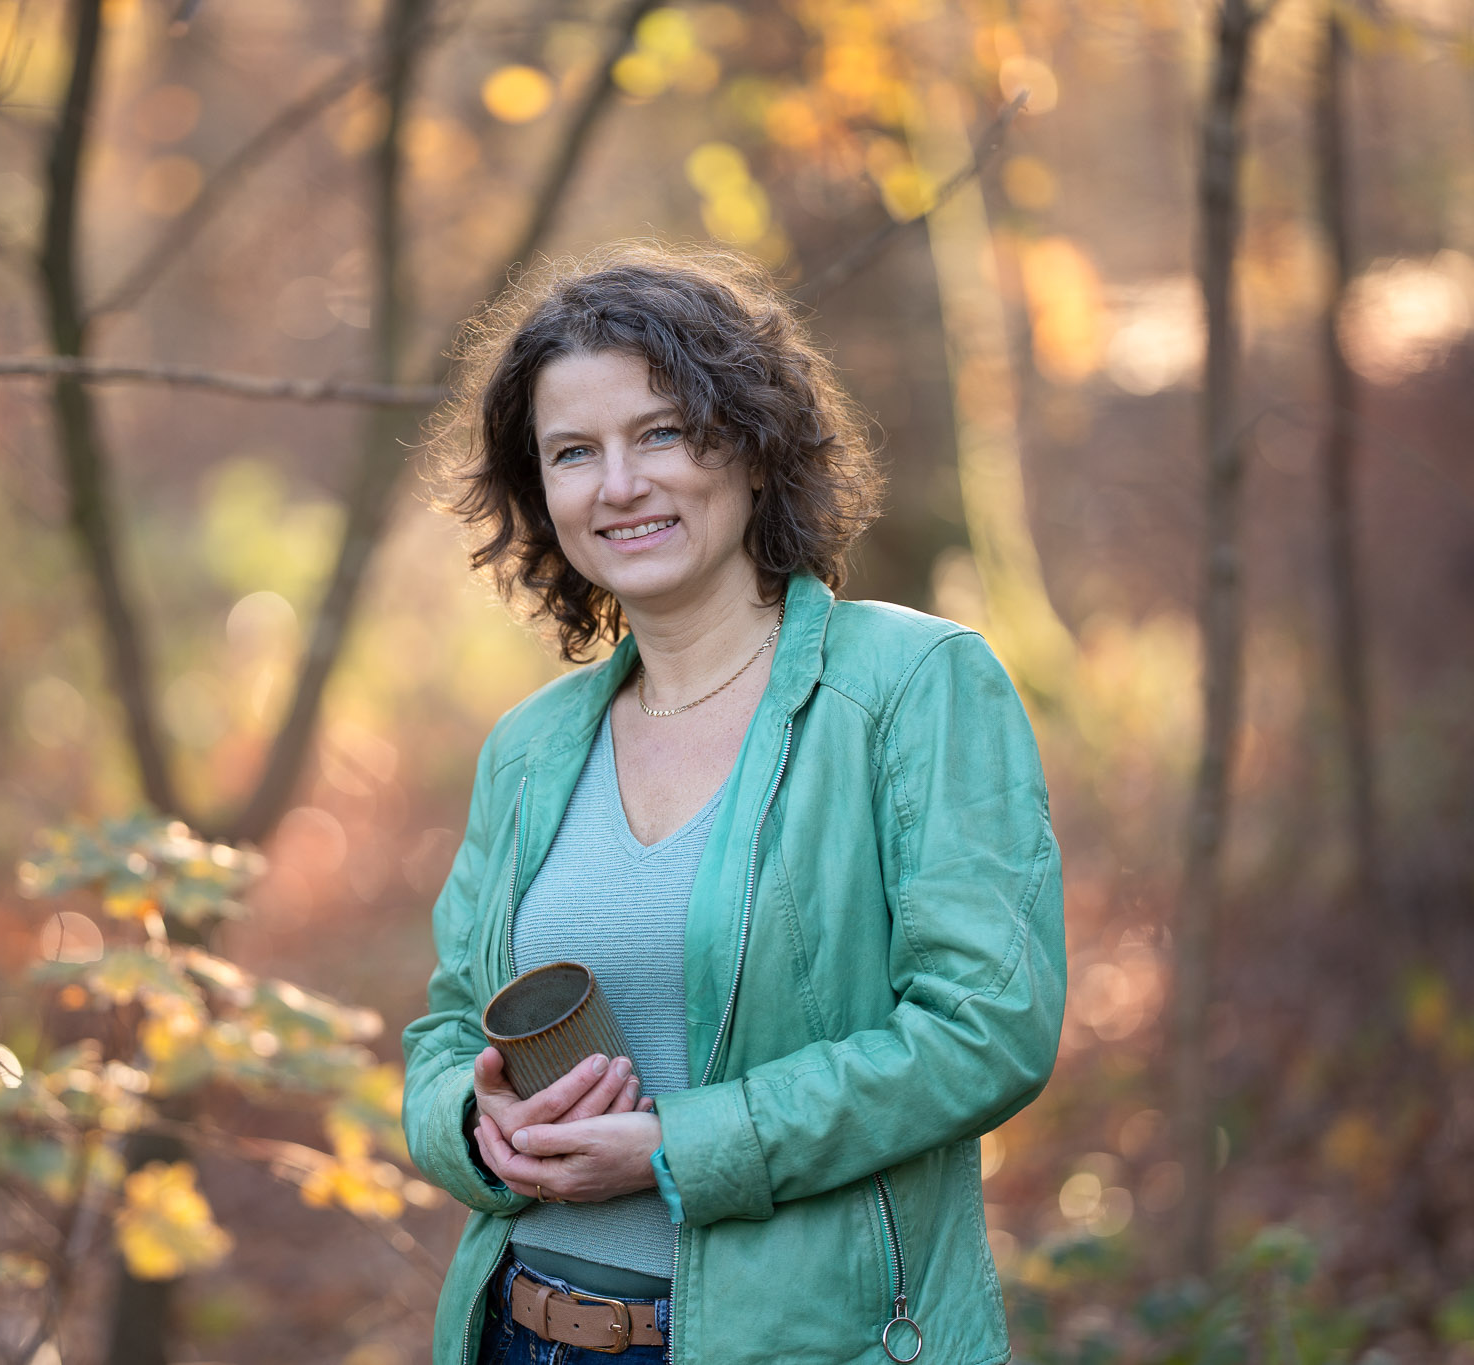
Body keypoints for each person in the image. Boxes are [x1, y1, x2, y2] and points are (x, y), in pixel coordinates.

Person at [400, 243, 1066, 1365]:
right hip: (518, 1329)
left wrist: (681, 1147)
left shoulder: (910, 687)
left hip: (798, 1340)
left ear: (754, 447)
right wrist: (475, 1124)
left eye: (661, 432)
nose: (618, 484)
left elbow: (985, 1028)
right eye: (573, 452)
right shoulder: (529, 748)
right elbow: (445, 1034)